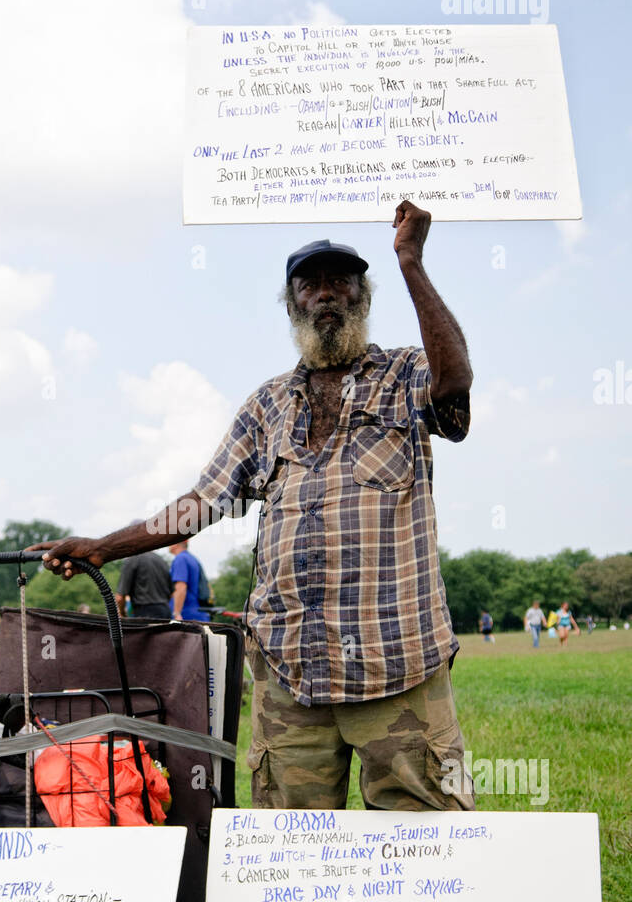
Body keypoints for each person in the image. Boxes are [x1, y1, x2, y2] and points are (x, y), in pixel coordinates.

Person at [30, 201, 475, 814]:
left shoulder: (403, 375)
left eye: (340, 282)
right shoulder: (267, 405)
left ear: (362, 297)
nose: (325, 294)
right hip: (291, 675)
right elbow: (202, 503)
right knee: (288, 861)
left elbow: (454, 387)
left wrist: (411, 262)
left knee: (427, 850)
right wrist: (102, 548)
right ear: (291, 303)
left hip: (396, 664)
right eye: (309, 284)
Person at [116, 546, 173, 620]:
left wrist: (122, 613)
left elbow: (120, 597)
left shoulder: (132, 560)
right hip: (165, 612)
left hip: (144, 613)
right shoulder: (162, 560)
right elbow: (172, 592)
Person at [168, 542, 210, 623]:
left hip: (186, 615)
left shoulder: (180, 559)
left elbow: (180, 587)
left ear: (176, 543)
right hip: (197, 613)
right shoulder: (191, 558)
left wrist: (177, 613)